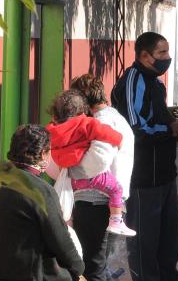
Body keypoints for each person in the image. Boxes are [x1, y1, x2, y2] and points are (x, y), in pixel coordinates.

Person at [111, 32, 178, 281]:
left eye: (167, 52)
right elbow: (135, 128)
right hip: (142, 175)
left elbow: (157, 119)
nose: (167, 58)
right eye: (161, 53)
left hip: (164, 172)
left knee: (168, 235)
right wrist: (170, 130)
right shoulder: (133, 81)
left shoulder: (154, 82)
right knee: (144, 237)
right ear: (144, 55)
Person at [0, 124, 100, 281]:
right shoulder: (40, 188)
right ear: (44, 154)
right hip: (27, 271)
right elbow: (59, 237)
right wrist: (77, 267)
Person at [69, 74, 136, 281]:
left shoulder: (101, 123)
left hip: (96, 201)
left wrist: (71, 162)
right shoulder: (114, 118)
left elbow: (97, 162)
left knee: (94, 270)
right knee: (100, 269)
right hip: (110, 202)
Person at [46, 90, 135, 237]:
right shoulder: (86, 123)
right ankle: (116, 220)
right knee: (116, 189)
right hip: (93, 178)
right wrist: (119, 140)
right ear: (82, 111)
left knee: (65, 201)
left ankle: (68, 225)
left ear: (55, 114)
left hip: (70, 178)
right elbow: (105, 133)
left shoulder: (51, 131)